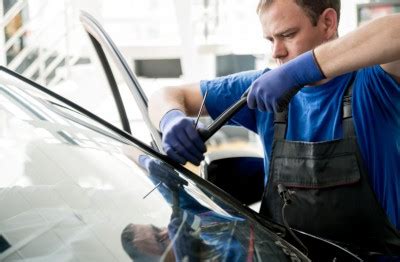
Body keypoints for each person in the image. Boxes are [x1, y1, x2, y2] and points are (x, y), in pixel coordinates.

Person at [148, 0, 400, 254]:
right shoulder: (263, 91)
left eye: (288, 35)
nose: (276, 52)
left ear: (328, 22)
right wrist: (171, 118)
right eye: (270, 40)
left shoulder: (376, 83)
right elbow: (165, 95)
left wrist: (301, 71)